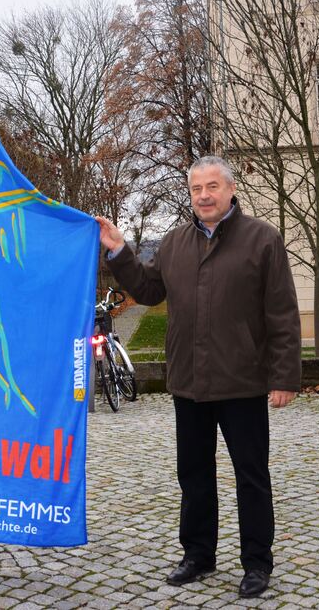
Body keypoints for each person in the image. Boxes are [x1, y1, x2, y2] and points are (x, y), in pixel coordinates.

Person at [95, 155, 301, 599]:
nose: (203, 196)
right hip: (188, 381)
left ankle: (257, 564)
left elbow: (282, 313)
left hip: (241, 381)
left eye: (211, 187)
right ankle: (198, 554)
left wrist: (284, 376)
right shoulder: (174, 243)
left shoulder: (262, 240)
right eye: (196, 189)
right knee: (193, 473)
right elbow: (149, 290)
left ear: (229, 190)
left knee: (251, 475)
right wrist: (118, 250)